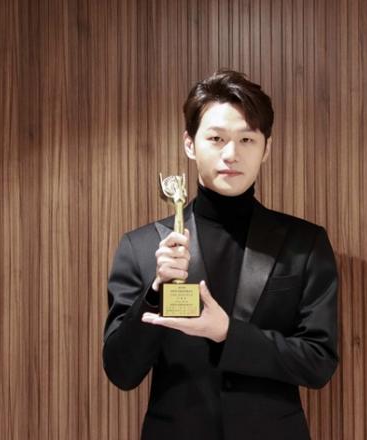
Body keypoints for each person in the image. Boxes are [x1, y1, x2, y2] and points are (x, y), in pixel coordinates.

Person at [103, 70, 339, 440]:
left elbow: (319, 363)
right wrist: (155, 291)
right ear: (190, 144)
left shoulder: (304, 243)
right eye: (216, 138)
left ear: (266, 148)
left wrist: (229, 333)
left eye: (247, 139)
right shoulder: (142, 247)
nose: (231, 154)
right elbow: (121, 371)